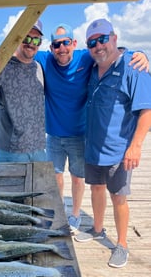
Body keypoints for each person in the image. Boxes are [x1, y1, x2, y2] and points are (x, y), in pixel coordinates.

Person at [35, 23, 149, 233]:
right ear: (51, 48)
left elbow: (115, 52)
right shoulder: (45, 59)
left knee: (78, 178)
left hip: (80, 134)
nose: (62, 48)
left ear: (74, 43)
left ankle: (76, 215)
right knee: (56, 177)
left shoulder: (85, 57)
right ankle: (62, 213)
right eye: (56, 44)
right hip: (53, 135)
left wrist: (140, 54)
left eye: (66, 42)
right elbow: (21, 54)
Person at [74, 18, 151, 268]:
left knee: (119, 197)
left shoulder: (133, 67)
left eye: (103, 39)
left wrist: (136, 145)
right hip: (93, 148)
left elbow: (146, 110)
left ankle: (122, 244)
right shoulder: (92, 67)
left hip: (119, 152)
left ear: (114, 38)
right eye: (92, 42)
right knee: (96, 189)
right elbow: (61, 53)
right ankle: (98, 229)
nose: (98, 46)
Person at [0, 20, 46, 163]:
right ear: (18, 39)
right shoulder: (0, 68)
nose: (31, 43)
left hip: (39, 150)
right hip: (9, 153)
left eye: (36, 39)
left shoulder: (39, 68)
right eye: (26, 38)